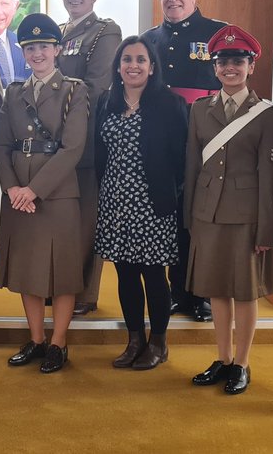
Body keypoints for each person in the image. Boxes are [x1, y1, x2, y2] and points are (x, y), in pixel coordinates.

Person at [0, 14, 90, 373]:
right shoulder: (14, 92)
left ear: (57, 50)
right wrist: (13, 187)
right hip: (18, 191)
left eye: (43, 47)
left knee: (61, 271)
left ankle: (58, 344)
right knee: (27, 269)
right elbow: (0, 145)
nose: (37, 54)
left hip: (57, 192)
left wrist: (34, 190)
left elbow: (72, 148)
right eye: (29, 47)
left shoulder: (74, 90)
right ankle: (35, 339)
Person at [184, 25, 273, 394]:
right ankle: (223, 358)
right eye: (224, 62)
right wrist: (190, 217)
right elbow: (192, 166)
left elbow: (269, 175)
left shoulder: (266, 113)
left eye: (238, 61)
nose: (230, 68)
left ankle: (242, 363)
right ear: (214, 67)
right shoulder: (199, 110)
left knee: (245, 292)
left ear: (251, 66)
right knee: (216, 291)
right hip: (207, 214)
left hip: (245, 217)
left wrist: (266, 230)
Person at [141, 0, 229, 323]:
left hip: (206, 133)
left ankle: (204, 294)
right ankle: (179, 292)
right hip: (164, 135)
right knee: (173, 215)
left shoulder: (218, 32)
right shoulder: (148, 39)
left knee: (204, 215)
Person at [94, 37, 187, 370]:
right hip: (114, 200)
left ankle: (159, 343)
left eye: (141, 60)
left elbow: (182, 158)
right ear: (118, 66)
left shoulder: (169, 104)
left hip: (152, 203)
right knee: (125, 274)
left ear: (152, 67)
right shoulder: (106, 102)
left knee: (153, 275)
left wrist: (171, 195)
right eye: (127, 59)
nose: (133, 65)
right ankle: (134, 340)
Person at [56, 0, 122, 316]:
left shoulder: (105, 31)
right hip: (55, 139)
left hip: (85, 139)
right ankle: (61, 284)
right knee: (61, 216)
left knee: (84, 218)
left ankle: (84, 292)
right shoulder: (60, 31)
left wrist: (59, 119)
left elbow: (96, 88)